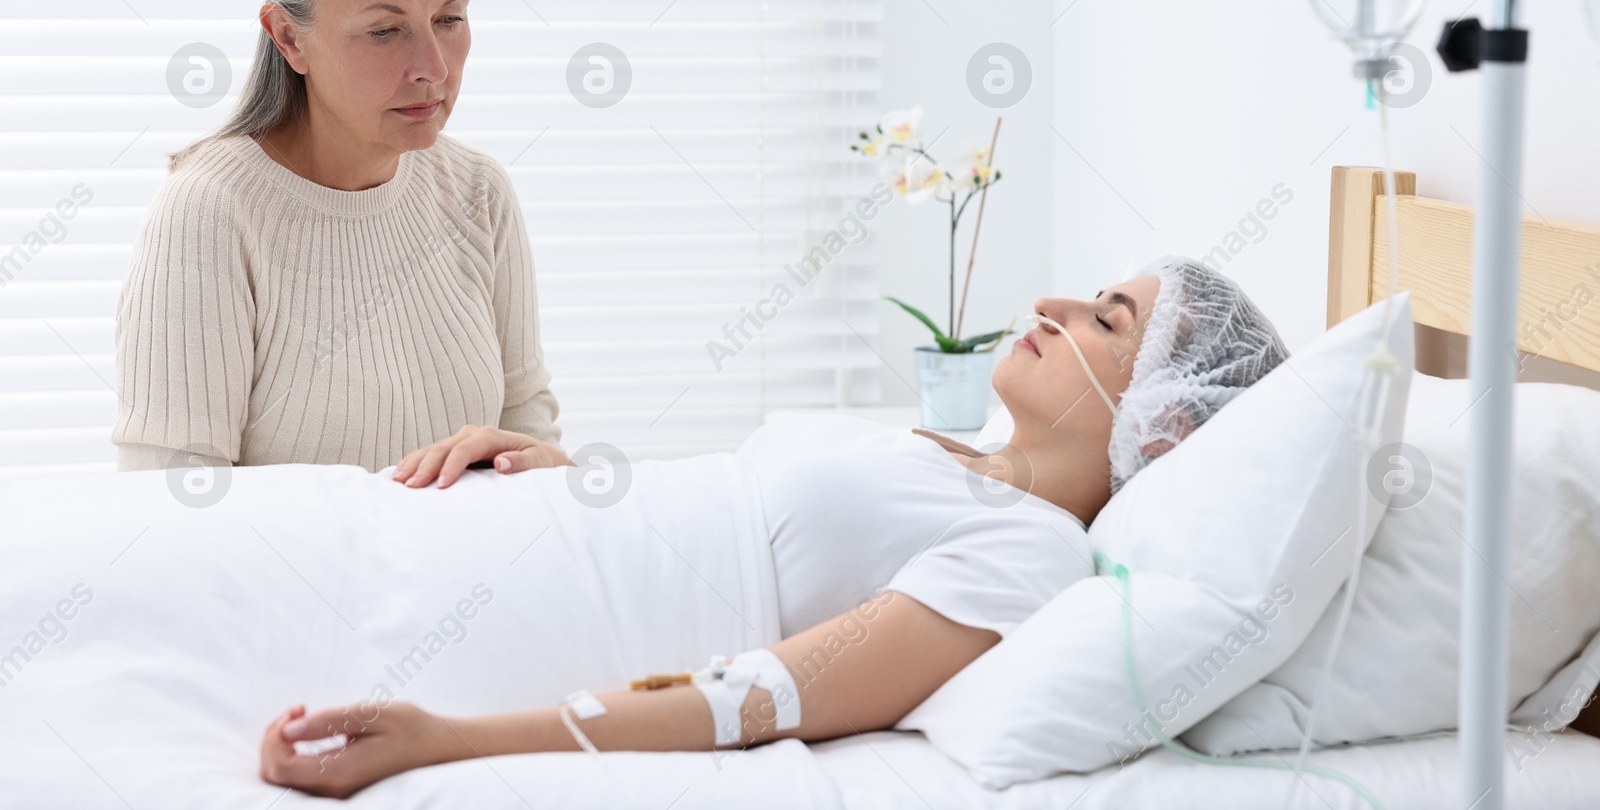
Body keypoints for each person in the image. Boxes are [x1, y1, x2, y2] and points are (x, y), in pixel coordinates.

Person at [258, 257, 1290, 798]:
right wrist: (565, 476)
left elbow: (760, 695)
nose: (1053, 301)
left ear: (1165, 425)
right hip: (480, 526)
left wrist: (449, 742)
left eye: (1106, 320)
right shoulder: (943, 449)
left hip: (532, 615)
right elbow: (730, 507)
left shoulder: (1031, 552)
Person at [112, 0, 566, 477]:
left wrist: (541, 465)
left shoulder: (478, 193)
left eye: (450, 18)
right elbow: (171, 515)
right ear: (289, 38)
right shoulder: (211, 210)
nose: (432, 66)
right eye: (385, 30)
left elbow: (538, 470)